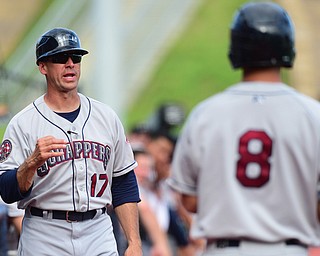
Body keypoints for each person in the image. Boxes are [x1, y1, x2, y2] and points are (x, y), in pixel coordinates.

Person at [168, 2, 320, 256]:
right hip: (289, 249)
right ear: (287, 47)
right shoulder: (312, 114)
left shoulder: (206, 113)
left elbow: (189, 200)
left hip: (224, 249)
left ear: (236, 49)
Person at [0, 27, 142, 256]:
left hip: (98, 228)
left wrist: (134, 242)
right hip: (45, 231)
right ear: (42, 66)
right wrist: (30, 164)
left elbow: (123, 181)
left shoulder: (106, 117)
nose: (70, 63)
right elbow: (6, 189)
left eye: (75, 57)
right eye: (59, 58)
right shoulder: (23, 123)